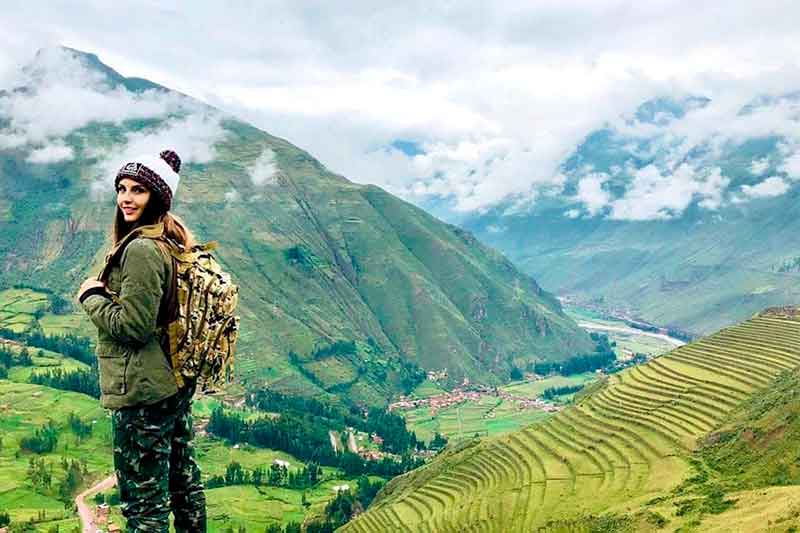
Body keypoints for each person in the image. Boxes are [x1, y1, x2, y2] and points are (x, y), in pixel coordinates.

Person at [76, 150, 207, 532]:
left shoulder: (141, 250)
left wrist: (91, 296)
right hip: (171, 382)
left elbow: (133, 326)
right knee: (183, 484)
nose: (126, 198)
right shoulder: (168, 240)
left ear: (158, 198)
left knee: (143, 505)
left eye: (138, 190)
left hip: (143, 391)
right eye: (121, 188)